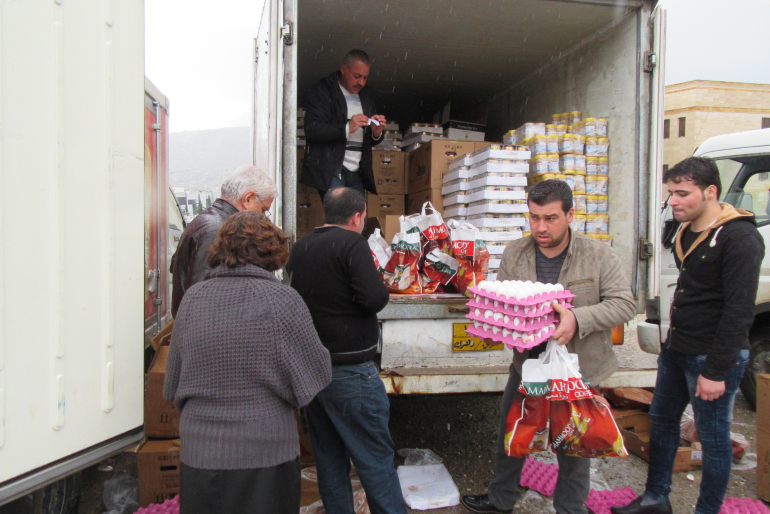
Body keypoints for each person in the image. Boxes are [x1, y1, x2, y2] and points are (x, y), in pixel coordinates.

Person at [461, 179, 636, 514]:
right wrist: (494, 325)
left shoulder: (598, 255)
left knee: (572, 443)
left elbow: (624, 304)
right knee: (512, 433)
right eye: (534, 217)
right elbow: (505, 301)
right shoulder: (516, 251)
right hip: (528, 364)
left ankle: (570, 508)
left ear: (571, 215)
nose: (540, 227)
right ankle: (501, 500)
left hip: (577, 367)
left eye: (551, 218)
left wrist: (577, 318)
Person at [611, 157, 764, 514]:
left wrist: (715, 371)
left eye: (682, 193)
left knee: (712, 439)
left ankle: (706, 510)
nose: (674, 201)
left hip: (712, 358)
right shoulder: (687, 230)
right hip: (677, 349)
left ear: (710, 192)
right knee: (663, 422)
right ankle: (655, 498)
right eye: (671, 193)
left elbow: (739, 312)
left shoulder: (741, 238)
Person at [163, 212, 332, 514]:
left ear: (221, 248)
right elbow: (314, 378)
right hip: (266, 455)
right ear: (274, 252)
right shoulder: (283, 300)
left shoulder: (192, 299)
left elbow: (172, 385)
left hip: (200, 455)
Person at [286, 187, 406, 514]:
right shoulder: (352, 244)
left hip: (313, 372)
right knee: (375, 459)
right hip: (351, 373)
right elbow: (374, 299)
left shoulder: (300, 246)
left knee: (330, 459)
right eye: (364, 218)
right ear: (357, 217)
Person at [170, 165, 276, 317]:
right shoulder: (218, 231)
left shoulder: (211, 223)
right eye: (264, 209)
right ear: (248, 199)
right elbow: (203, 294)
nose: (264, 217)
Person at [302, 49, 386, 201]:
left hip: (358, 171)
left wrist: (376, 133)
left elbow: (371, 139)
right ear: (343, 69)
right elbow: (312, 129)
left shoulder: (366, 95)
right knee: (339, 217)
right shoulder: (323, 91)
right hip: (332, 169)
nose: (361, 82)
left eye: (365, 78)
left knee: (359, 221)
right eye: (357, 76)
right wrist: (346, 128)